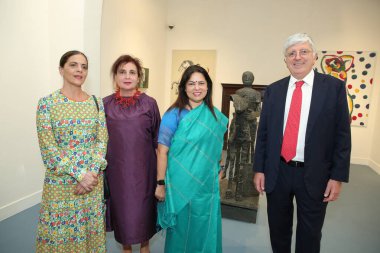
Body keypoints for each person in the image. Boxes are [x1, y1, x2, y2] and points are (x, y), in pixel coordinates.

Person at [253, 33, 351, 253]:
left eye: (303, 51)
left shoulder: (333, 88)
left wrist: (337, 176)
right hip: (278, 171)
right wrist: (259, 169)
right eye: (291, 53)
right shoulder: (273, 90)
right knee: (278, 230)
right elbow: (264, 133)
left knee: (310, 234)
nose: (297, 57)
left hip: (316, 173)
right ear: (285, 60)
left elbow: (342, 136)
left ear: (315, 57)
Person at [36, 50, 108, 252]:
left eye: (84, 66)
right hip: (61, 185)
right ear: (61, 70)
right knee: (61, 239)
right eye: (73, 65)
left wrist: (91, 175)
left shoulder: (96, 103)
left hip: (92, 185)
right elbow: (49, 149)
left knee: (89, 236)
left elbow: (102, 141)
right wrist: (80, 175)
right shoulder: (47, 104)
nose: (80, 70)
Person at [155, 65, 228, 253]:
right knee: (181, 231)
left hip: (206, 184)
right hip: (180, 183)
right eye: (192, 83)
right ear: (184, 87)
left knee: (205, 228)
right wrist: (160, 183)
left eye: (201, 83)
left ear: (208, 87)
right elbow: (162, 151)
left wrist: (221, 167)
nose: (197, 88)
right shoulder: (174, 114)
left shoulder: (215, 115)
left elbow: (216, 145)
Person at [103, 55, 161, 253]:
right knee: (123, 214)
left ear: (139, 78)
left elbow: (157, 141)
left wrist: (161, 178)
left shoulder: (150, 104)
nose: (127, 76)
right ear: (115, 77)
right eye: (122, 72)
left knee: (143, 214)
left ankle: (145, 247)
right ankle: (126, 248)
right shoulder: (104, 104)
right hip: (116, 173)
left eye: (132, 72)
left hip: (144, 172)